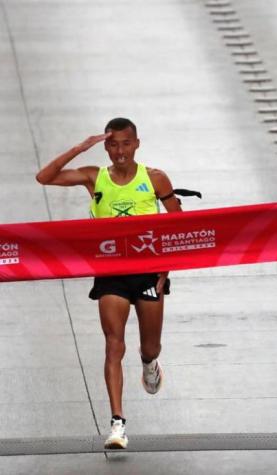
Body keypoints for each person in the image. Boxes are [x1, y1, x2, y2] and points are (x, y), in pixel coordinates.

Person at [36, 118, 182, 449]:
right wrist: (78, 148)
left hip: (148, 272)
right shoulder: (94, 177)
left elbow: (179, 223)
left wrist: (166, 271)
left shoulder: (155, 178)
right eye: (113, 145)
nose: (120, 151)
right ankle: (117, 425)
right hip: (112, 272)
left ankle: (150, 365)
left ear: (137, 144)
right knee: (114, 345)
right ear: (106, 147)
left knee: (149, 347)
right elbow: (44, 177)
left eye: (126, 144)